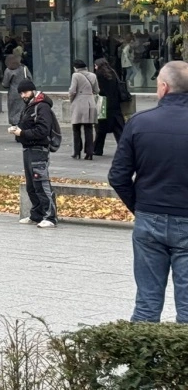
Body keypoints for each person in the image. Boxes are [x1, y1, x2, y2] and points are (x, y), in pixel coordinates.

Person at [108, 60, 188, 323]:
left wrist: (140, 206)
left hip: (149, 217)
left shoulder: (139, 122)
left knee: (147, 303)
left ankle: (144, 362)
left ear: (163, 87)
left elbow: (118, 176)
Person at [8, 80, 57, 228]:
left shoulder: (42, 106)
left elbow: (43, 130)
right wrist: (17, 130)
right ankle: (37, 214)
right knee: (31, 185)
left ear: (33, 91)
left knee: (41, 183)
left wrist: (22, 132)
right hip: (28, 148)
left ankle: (50, 217)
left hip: (38, 149)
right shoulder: (30, 106)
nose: (23, 95)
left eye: (25, 92)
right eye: (21, 93)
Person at [93, 58, 126, 157]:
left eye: (95, 65)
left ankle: (98, 149)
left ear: (98, 65)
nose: (95, 67)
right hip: (114, 103)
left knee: (101, 129)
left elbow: (98, 90)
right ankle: (124, 148)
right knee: (118, 129)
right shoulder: (113, 73)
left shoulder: (98, 75)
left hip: (103, 104)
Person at [68, 59, 100, 161]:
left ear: (75, 67)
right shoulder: (93, 75)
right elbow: (97, 90)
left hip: (79, 102)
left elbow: (72, 90)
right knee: (89, 128)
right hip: (90, 103)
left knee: (76, 128)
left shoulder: (75, 75)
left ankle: (77, 151)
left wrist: (71, 100)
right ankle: (89, 152)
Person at [1, 54, 30, 125]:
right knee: (23, 107)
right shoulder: (24, 68)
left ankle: (14, 123)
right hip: (24, 91)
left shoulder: (8, 70)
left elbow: (5, 84)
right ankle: (23, 120)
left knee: (13, 109)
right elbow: (30, 78)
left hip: (13, 93)